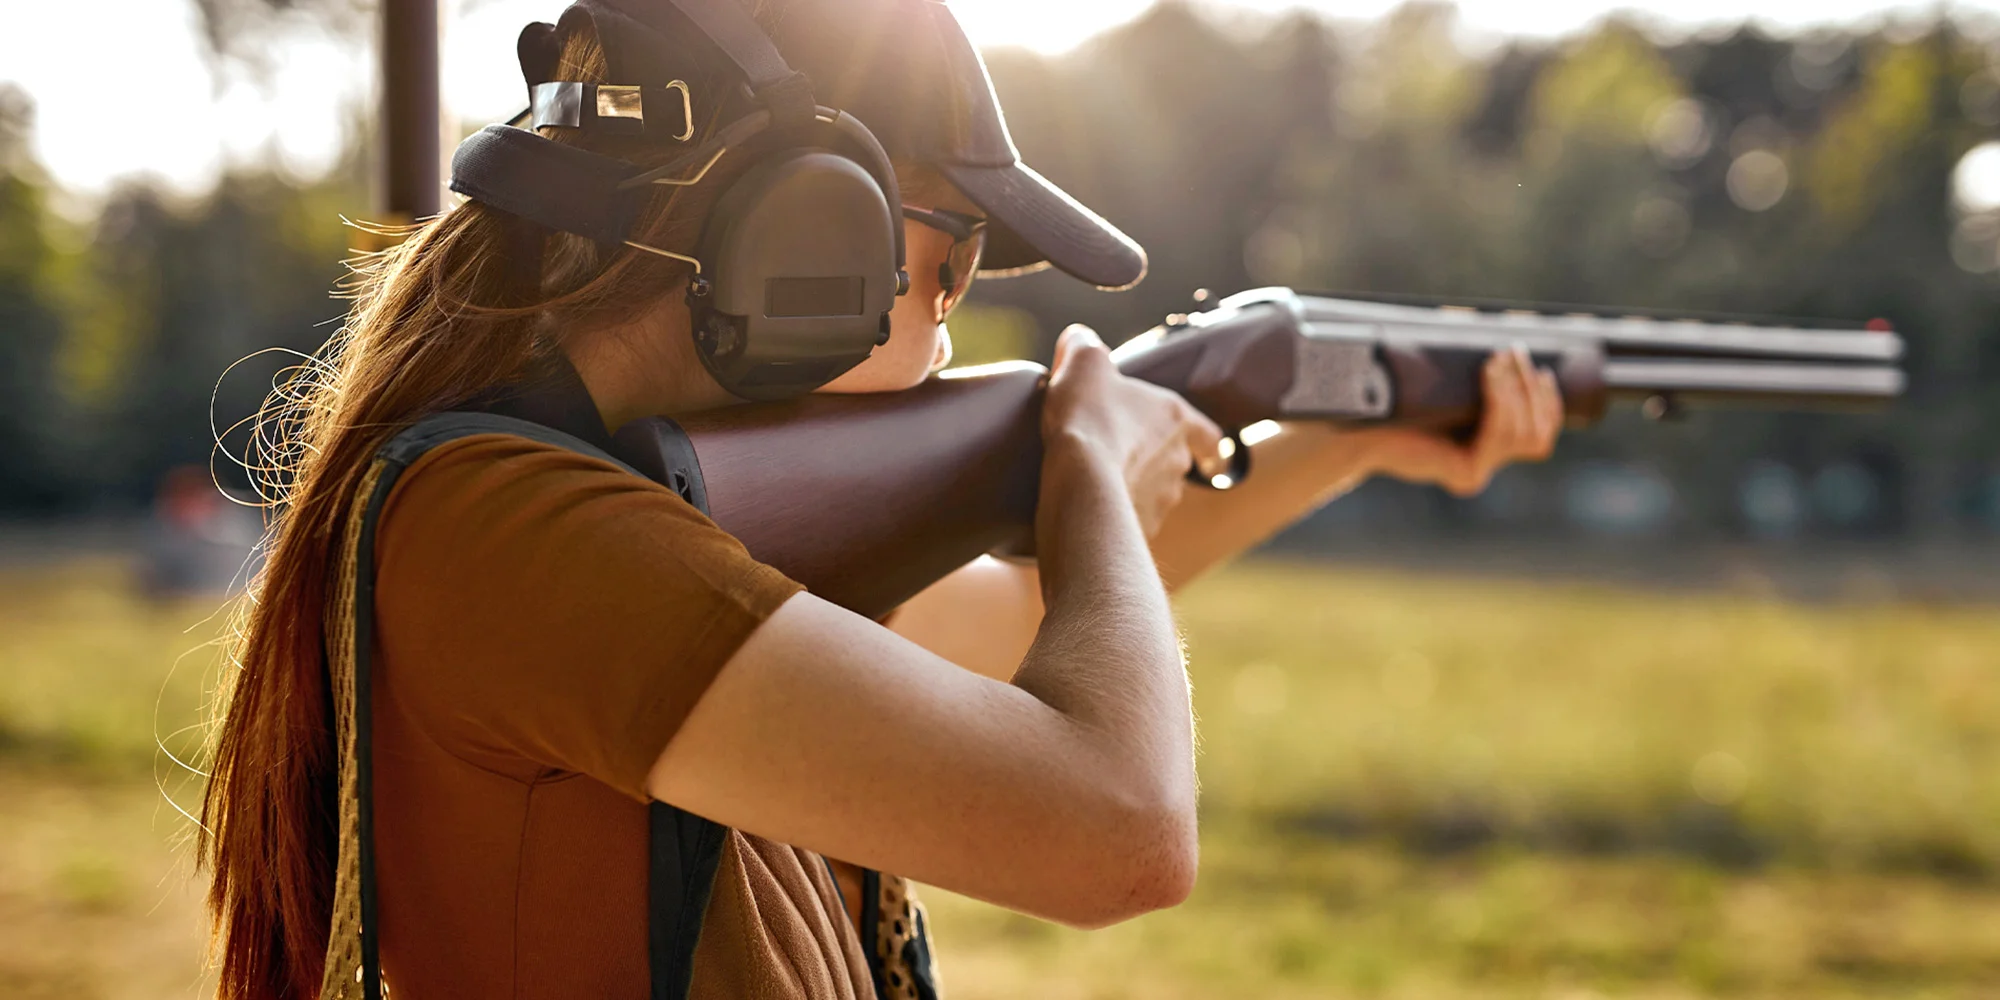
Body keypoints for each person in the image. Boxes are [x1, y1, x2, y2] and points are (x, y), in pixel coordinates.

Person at [197, 1, 1562, 998]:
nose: (952, 331)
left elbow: (1031, 619)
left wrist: (1353, 438)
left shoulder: (635, 528)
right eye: (950, 262)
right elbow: (1122, 833)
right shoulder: (514, 535)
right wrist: (1087, 465)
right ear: (804, 229)